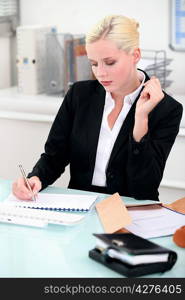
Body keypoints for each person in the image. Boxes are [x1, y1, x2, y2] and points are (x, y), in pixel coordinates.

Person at [12, 15, 183, 201]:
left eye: (110, 63)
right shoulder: (79, 95)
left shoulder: (166, 109)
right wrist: (36, 178)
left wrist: (141, 120)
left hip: (133, 213)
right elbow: (54, 156)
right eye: (93, 63)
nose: (100, 73)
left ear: (135, 56)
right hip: (81, 208)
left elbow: (144, 187)